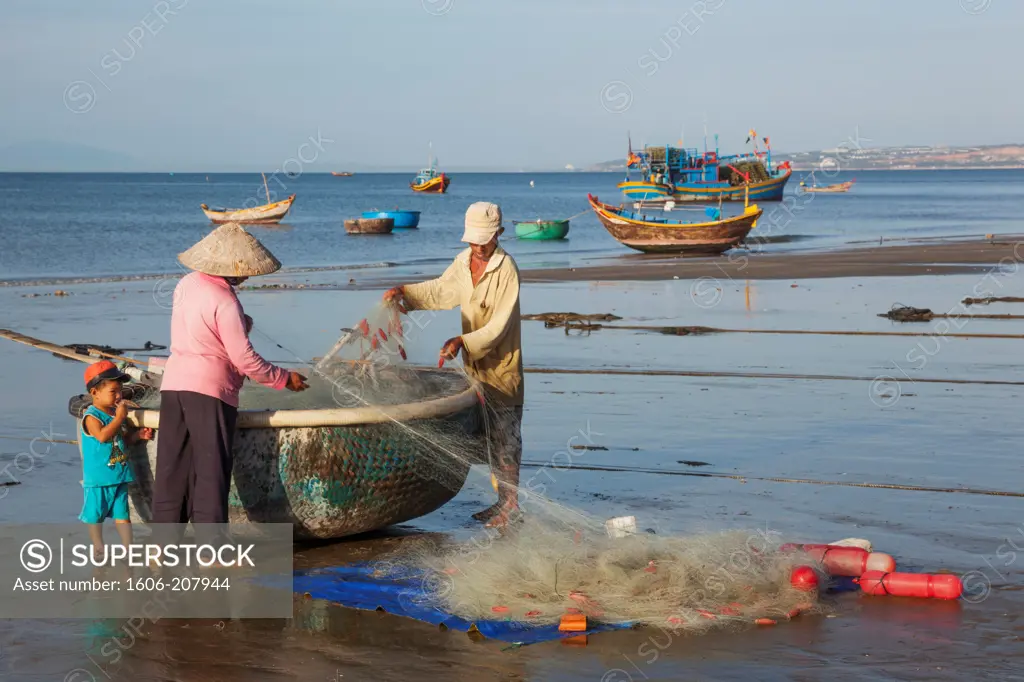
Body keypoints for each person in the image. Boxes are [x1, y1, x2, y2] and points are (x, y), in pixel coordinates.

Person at [153, 223, 308, 529]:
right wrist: (283, 378)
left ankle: (161, 545)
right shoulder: (226, 301)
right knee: (211, 468)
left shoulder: (185, 284)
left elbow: (199, 331)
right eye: (245, 269)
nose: (247, 275)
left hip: (173, 384)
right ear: (232, 267)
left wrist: (241, 325)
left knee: (173, 468)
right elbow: (243, 358)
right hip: (209, 390)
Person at [383, 202, 524, 528]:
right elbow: (440, 291)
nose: (478, 246)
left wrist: (462, 341)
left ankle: (510, 504)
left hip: (502, 367)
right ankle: (501, 502)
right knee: (486, 437)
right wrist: (404, 293)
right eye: (473, 240)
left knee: (506, 438)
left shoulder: (507, 271)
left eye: (484, 240)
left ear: (499, 234)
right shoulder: (464, 262)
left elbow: (498, 328)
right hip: (474, 366)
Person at [79, 360, 154, 559]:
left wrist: (137, 436)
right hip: (98, 479)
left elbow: (120, 439)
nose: (119, 396)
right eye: (113, 392)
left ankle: (128, 549)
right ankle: (98, 547)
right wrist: (120, 418)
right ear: (95, 392)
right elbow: (103, 436)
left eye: (120, 390)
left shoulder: (113, 413)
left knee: (123, 516)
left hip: (119, 474)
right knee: (95, 516)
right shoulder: (91, 417)